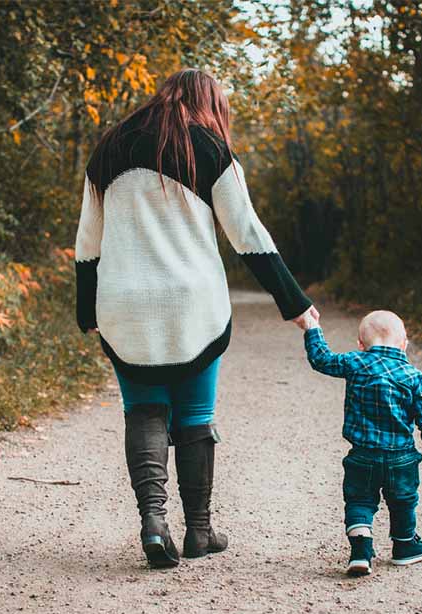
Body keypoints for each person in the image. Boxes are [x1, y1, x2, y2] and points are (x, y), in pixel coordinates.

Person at [74, 68, 319, 569]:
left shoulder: (110, 147)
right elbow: (247, 232)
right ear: (209, 103)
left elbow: (87, 242)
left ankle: (153, 523)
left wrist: (87, 309)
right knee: (195, 414)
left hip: (123, 302)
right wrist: (293, 302)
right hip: (194, 305)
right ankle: (199, 531)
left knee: (143, 408)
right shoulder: (208, 148)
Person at [299, 309, 422, 576]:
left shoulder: (355, 362)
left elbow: (322, 359)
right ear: (404, 343)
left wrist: (312, 328)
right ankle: (404, 546)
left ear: (361, 345)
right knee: (403, 500)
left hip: (362, 455)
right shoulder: (413, 376)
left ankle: (360, 551)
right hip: (401, 458)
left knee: (359, 501)